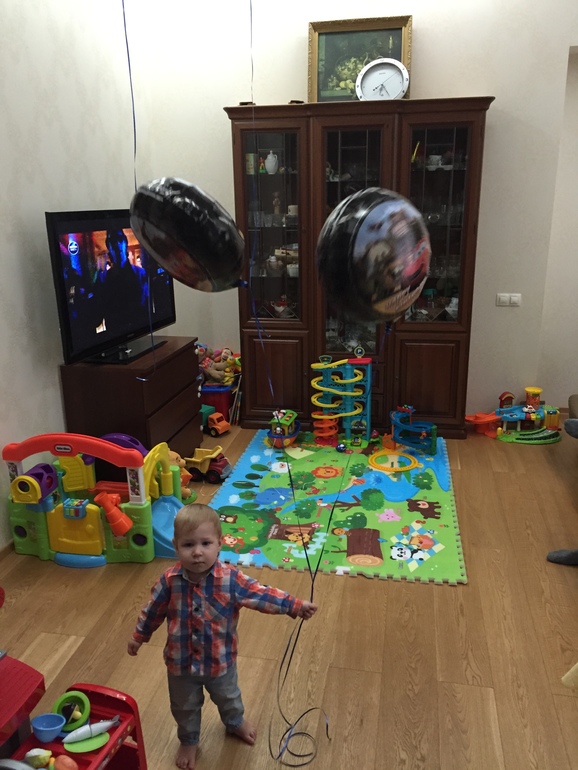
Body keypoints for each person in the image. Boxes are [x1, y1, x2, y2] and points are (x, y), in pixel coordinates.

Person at [127, 504, 317, 770]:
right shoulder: (169, 581)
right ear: (175, 546)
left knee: (229, 698)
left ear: (220, 543)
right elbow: (152, 611)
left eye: (205, 543)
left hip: (221, 663)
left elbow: (262, 594)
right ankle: (189, 740)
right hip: (180, 665)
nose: (197, 552)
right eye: (188, 544)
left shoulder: (231, 579)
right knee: (183, 707)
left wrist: (294, 606)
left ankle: (234, 722)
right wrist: (139, 635)